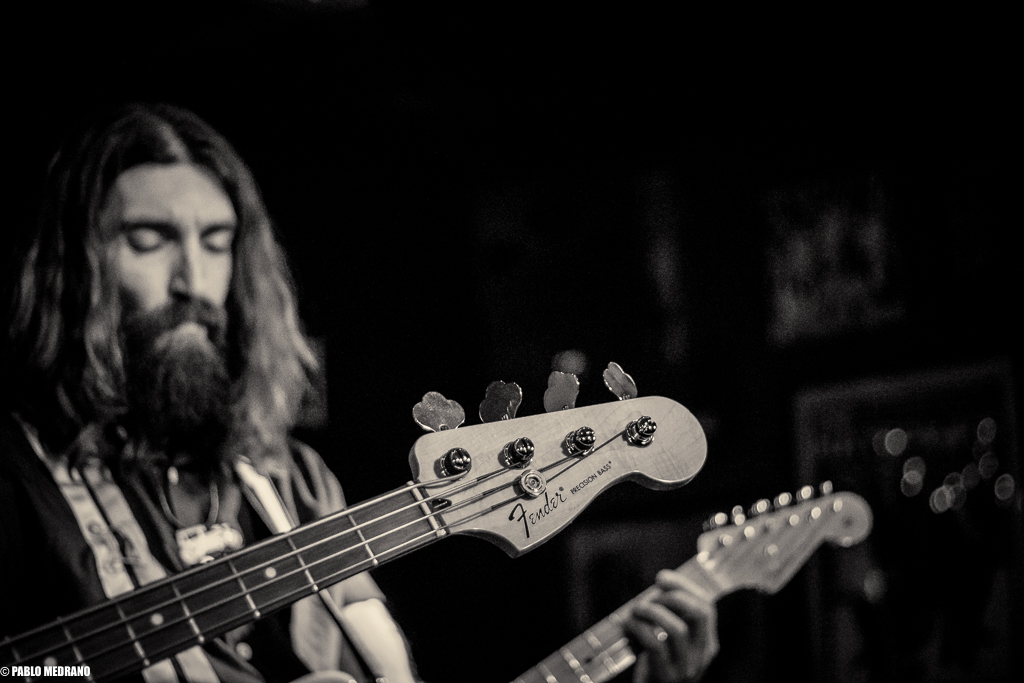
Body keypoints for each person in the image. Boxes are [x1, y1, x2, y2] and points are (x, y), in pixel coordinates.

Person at [0, 103, 718, 683]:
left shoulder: (289, 480)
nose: (194, 280)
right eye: (150, 239)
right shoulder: (15, 478)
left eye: (217, 242)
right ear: (73, 264)